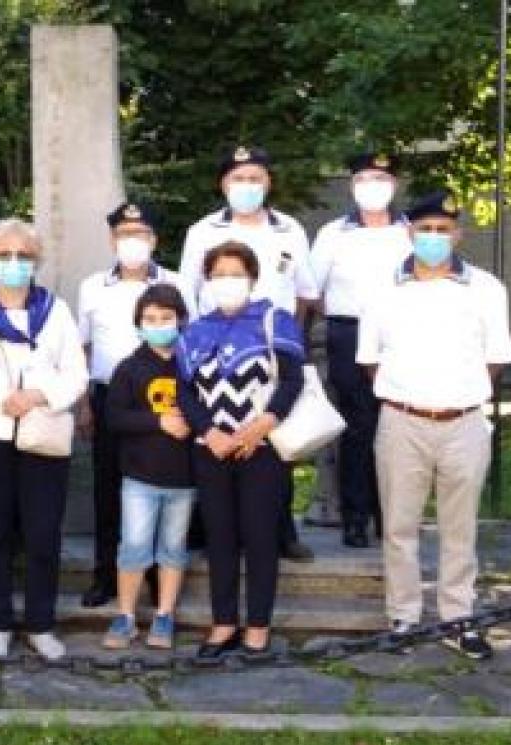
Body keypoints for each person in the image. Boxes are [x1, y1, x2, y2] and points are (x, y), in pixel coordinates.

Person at [357, 191, 511, 660]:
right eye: (424, 229)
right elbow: (370, 361)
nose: (433, 238)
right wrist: (411, 395)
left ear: (458, 233)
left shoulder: (486, 288)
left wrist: (457, 396)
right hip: (402, 420)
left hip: (464, 422)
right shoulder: (384, 290)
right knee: (400, 525)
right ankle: (403, 616)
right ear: (409, 233)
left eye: (442, 230)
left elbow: (494, 360)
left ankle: (458, 617)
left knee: (459, 527)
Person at [0, 219, 89, 660]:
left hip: (42, 440)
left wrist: (39, 395)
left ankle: (41, 625)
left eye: (23, 256)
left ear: (36, 262)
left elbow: (77, 374)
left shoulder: (56, 311)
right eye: (4, 256)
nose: (14, 263)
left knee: (43, 535)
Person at [178, 145, 318, 562]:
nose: (247, 186)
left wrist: (287, 340)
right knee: (214, 438)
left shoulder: (289, 230)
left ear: (268, 182)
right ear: (223, 184)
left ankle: (282, 531)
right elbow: (188, 293)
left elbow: (307, 293)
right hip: (214, 351)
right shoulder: (203, 231)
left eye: (255, 178)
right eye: (238, 178)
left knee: (276, 438)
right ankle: (212, 529)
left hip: (272, 349)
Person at [176, 241, 305, 657]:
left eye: (236, 273)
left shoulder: (274, 320)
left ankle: (258, 626)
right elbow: (185, 391)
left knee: (260, 537)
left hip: (261, 449)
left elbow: (291, 381)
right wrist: (209, 432)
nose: (227, 282)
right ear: (207, 281)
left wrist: (259, 428)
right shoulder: (195, 330)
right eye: (218, 275)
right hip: (211, 450)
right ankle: (223, 622)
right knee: (220, 537)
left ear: (251, 277)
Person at [77, 202, 192, 608]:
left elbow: (189, 340)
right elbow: (83, 347)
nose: (133, 242)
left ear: (154, 240)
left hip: (169, 397)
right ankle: (105, 575)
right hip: (112, 398)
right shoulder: (92, 287)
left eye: (141, 234)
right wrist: (84, 406)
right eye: (125, 235)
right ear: (112, 241)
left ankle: (162, 579)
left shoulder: (177, 282)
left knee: (167, 486)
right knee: (108, 489)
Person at [310, 151, 413, 548]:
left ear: (395, 184)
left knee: (398, 426)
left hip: (400, 336)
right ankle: (354, 516)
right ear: (353, 186)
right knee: (357, 427)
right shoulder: (333, 234)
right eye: (365, 179)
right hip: (348, 333)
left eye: (381, 178)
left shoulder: (410, 231)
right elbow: (312, 292)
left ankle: (393, 518)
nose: (374, 187)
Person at [101, 284, 195, 649]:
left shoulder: (192, 364)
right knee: (134, 547)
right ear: (138, 324)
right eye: (150, 319)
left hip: (183, 478)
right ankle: (125, 616)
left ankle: (164, 614)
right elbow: (114, 416)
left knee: (173, 549)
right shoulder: (129, 368)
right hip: (140, 477)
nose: (158, 325)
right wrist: (158, 422)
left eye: (166, 318)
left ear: (181, 320)